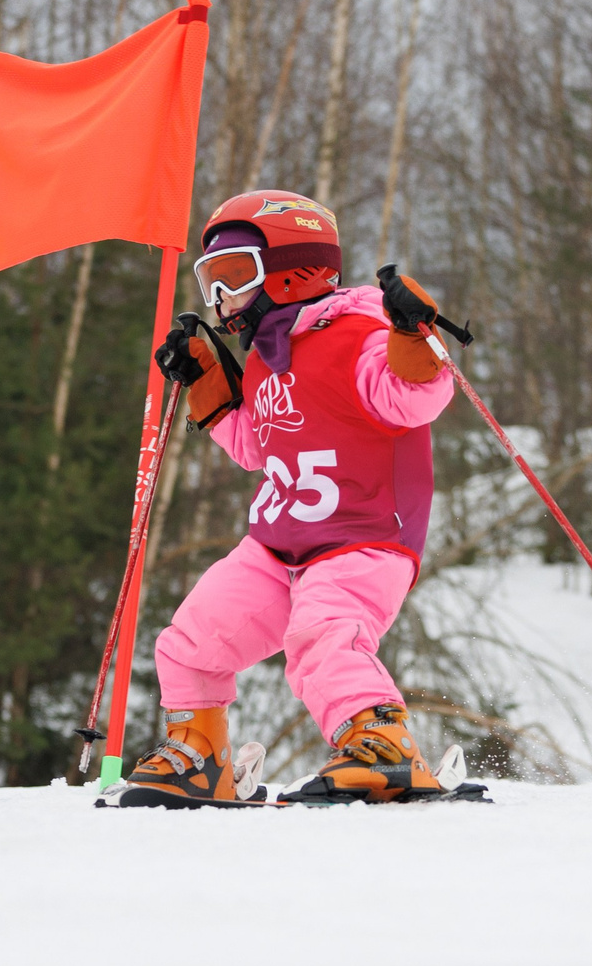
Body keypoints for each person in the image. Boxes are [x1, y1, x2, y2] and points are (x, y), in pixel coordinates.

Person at [116, 188, 458, 806]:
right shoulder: (268, 359)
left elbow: (413, 400)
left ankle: (382, 745)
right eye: (211, 282)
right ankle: (199, 755)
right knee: (193, 638)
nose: (221, 297)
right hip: (277, 544)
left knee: (323, 633)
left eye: (235, 275)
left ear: (294, 269)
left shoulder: (359, 331)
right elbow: (256, 447)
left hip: (362, 536)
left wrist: (414, 335)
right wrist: (210, 387)